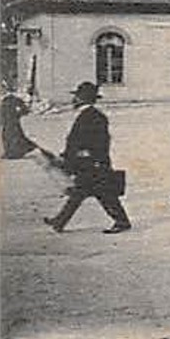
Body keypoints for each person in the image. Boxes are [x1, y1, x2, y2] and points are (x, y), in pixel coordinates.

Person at [44, 82, 132, 234]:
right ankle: (59, 221)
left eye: (77, 96)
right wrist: (67, 156)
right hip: (89, 162)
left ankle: (122, 222)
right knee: (83, 193)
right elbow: (76, 141)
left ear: (82, 98)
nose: (74, 99)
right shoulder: (88, 115)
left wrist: (92, 158)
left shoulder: (94, 116)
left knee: (102, 194)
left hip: (93, 163)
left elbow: (101, 141)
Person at [2, 83, 36, 159]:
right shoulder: (9, 100)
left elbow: (24, 110)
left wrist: (18, 114)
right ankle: (11, 152)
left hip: (12, 122)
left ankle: (13, 152)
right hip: (10, 122)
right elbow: (25, 110)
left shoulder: (12, 100)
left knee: (12, 136)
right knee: (10, 136)